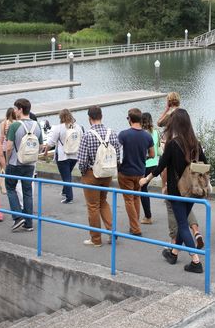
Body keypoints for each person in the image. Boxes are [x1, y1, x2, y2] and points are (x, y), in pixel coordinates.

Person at [140, 109, 206, 273]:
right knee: (183, 221)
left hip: (176, 192)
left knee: (182, 225)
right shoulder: (195, 144)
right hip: (192, 191)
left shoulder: (173, 144)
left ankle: (196, 261)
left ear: (175, 124)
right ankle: (174, 253)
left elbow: (161, 166)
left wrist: (146, 179)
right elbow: (205, 165)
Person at [157, 92, 204, 248]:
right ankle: (194, 234)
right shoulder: (191, 136)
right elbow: (204, 163)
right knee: (184, 212)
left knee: (174, 210)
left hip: (174, 181)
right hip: (190, 181)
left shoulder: (171, 132)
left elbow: (162, 166)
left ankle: (182, 249)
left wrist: (161, 183)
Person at [77, 105, 120, 247]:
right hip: (107, 173)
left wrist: (84, 174)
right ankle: (112, 232)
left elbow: (82, 160)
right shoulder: (112, 133)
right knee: (103, 201)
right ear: (101, 116)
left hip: (92, 174)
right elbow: (118, 155)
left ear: (89, 119)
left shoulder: (87, 135)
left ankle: (95, 239)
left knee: (93, 206)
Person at [5, 98, 43, 232]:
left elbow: (9, 147)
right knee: (27, 192)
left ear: (20, 109)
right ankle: (29, 223)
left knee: (10, 188)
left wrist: (6, 161)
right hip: (30, 164)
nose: (14, 111)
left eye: (15, 109)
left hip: (15, 163)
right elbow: (41, 146)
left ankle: (17, 216)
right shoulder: (37, 126)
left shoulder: (14, 126)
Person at [118, 108, 154, 236]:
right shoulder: (147, 136)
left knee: (128, 200)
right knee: (136, 198)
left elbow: (117, 151)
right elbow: (152, 154)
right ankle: (135, 225)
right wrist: (143, 157)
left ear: (130, 119)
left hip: (126, 171)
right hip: (140, 171)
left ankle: (135, 228)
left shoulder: (123, 134)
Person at [44, 109, 83, 204]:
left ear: (61, 117)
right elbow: (81, 140)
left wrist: (45, 151)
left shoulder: (59, 128)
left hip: (63, 156)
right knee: (67, 174)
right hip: (74, 155)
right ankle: (65, 191)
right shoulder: (78, 127)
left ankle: (69, 197)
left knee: (66, 177)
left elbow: (51, 142)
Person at [140, 112, 159, 224]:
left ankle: (148, 216)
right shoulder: (156, 132)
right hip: (154, 164)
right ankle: (147, 215)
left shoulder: (142, 134)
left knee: (142, 189)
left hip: (145, 164)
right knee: (143, 188)